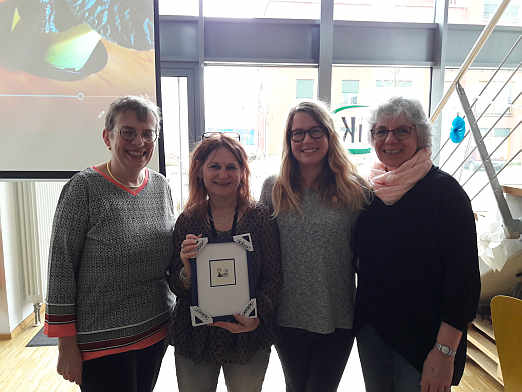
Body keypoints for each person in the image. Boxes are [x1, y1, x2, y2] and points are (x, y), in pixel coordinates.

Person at [44, 96, 175, 391]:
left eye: (147, 133)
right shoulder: (83, 188)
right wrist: (67, 347)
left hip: (155, 333)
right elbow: (60, 269)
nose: (138, 142)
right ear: (108, 137)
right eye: (127, 132)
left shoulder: (161, 186)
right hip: (101, 344)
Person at [353, 97, 481, 392]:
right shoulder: (368, 191)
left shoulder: (446, 194)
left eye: (402, 131)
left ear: (420, 137)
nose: (390, 139)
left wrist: (445, 352)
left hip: (426, 341)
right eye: (381, 131)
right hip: (374, 333)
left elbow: (464, 283)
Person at [260, 101, 370, 392]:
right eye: (297, 134)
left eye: (315, 131)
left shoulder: (355, 189)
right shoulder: (274, 187)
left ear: (329, 135)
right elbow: (258, 252)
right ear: (289, 140)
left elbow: (369, 256)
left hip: (337, 315)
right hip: (287, 316)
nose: (306, 140)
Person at [169, 133, 282, 392]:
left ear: (243, 172)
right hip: (195, 336)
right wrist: (187, 268)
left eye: (231, 167)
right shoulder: (188, 220)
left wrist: (255, 317)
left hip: (247, 336)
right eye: (215, 166)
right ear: (200, 171)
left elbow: (274, 278)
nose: (223, 174)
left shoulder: (260, 218)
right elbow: (175, 282)